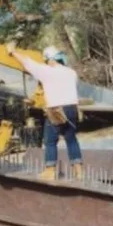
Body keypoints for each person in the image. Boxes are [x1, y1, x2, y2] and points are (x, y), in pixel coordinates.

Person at [8, 45, 83, 180]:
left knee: (50, 141)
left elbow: (27, 62)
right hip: (72, 108)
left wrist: (13, 52)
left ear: (49, 59)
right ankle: (79, 171)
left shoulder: (46, 71)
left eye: (46, 60)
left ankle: (50, 171)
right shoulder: (71, 72)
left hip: (56, 109)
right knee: (71, 139)